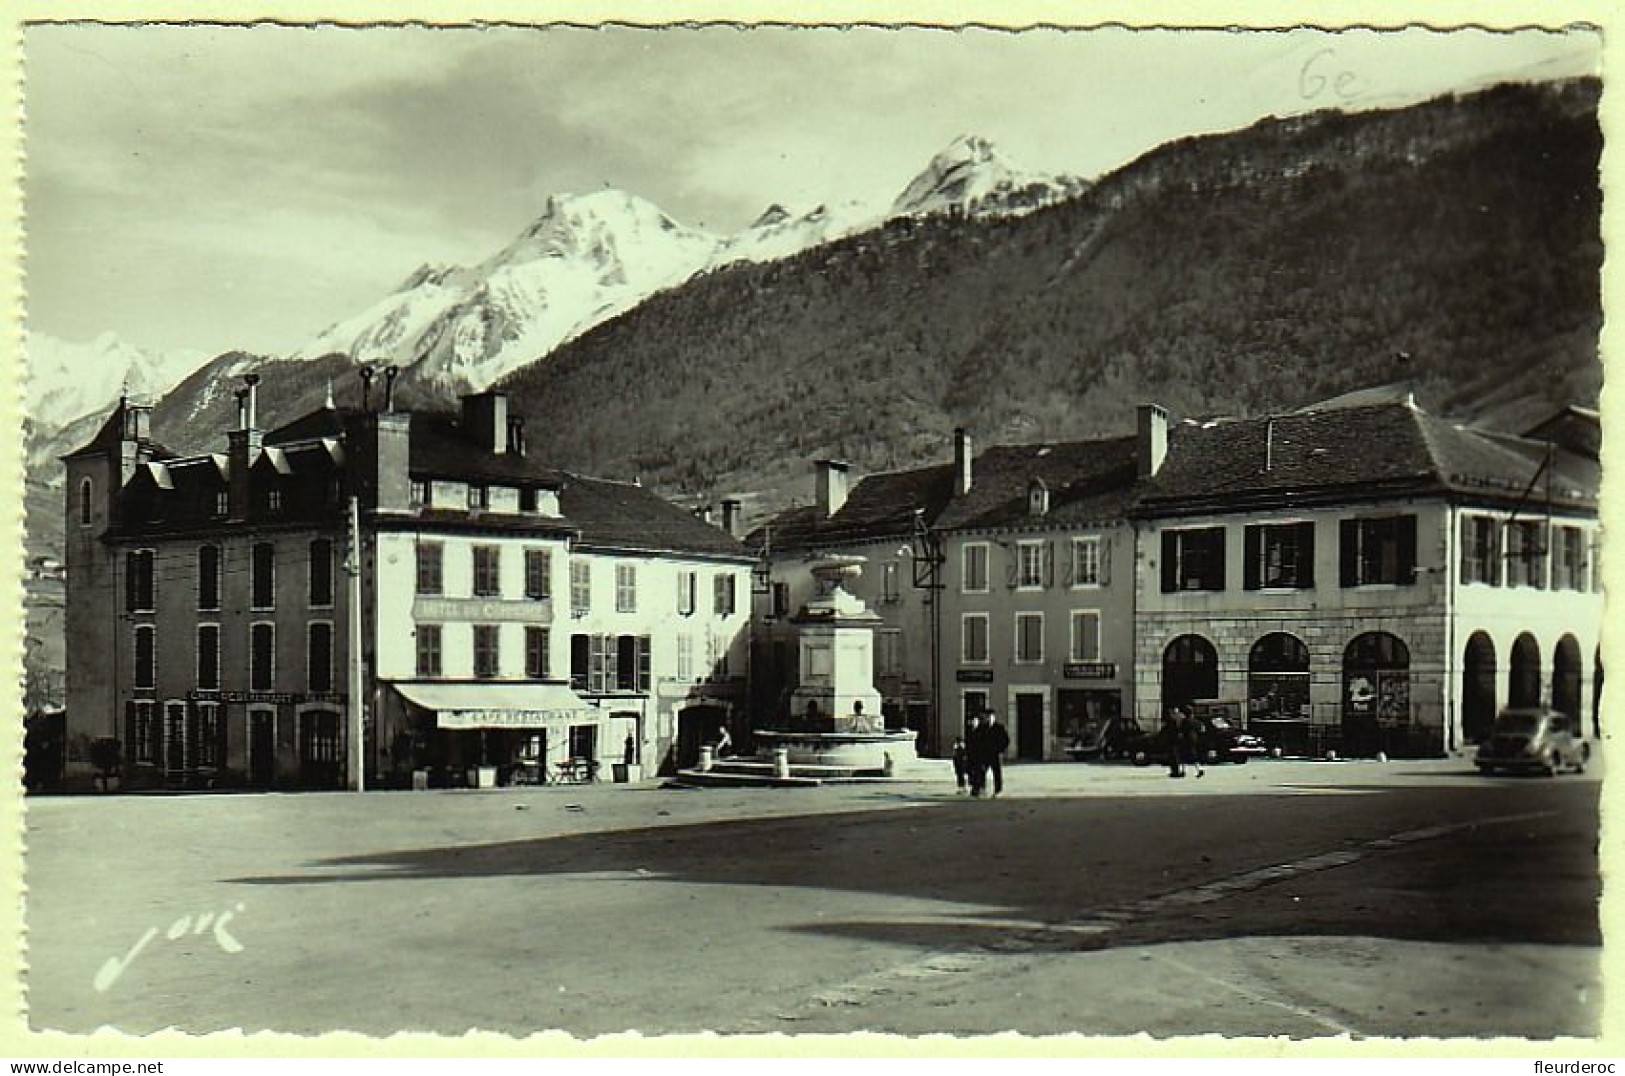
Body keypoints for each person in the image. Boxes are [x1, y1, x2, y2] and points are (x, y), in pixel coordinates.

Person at [983, 711, 1011, 796]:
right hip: (986, 754)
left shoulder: (999, 728)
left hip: (996, 754)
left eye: (991, 717)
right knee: (982, 771)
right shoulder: (983, 728)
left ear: (994, 717)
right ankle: (982, 789)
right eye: (988, 717)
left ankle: (998, 790)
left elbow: (1006, 740)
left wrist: (1000, 750)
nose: (989, 719)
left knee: (997, 772)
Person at [964, 713, 987, 797]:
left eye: (975, 721)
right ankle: (974, 788)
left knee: (980, 772)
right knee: (971, 772)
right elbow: (968, 744)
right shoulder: (969, 732)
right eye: (972, 721)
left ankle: (980, 789)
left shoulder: (982, 732)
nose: (973, 722)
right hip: (971, 756)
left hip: (980, 756)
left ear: (978, 721)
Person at [1180, 708, 1206, 778]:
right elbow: (1202, 729)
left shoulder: (1185, 721)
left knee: (1184, 755)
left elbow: (1181, 732)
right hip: (1195, 739)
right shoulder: (1196, 721)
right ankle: (1199, 769)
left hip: (1187, 739)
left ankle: (1183, 771)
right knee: (1193, 754)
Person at [1162, 709, 1185, 778]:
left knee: (1173, 758)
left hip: (1172, 742)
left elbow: (1168, 732)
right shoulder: (1175, 721)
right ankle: (1175, 772)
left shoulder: (1171, 722)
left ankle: (1175, 772)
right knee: (1174, 758)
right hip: (1174, 742)